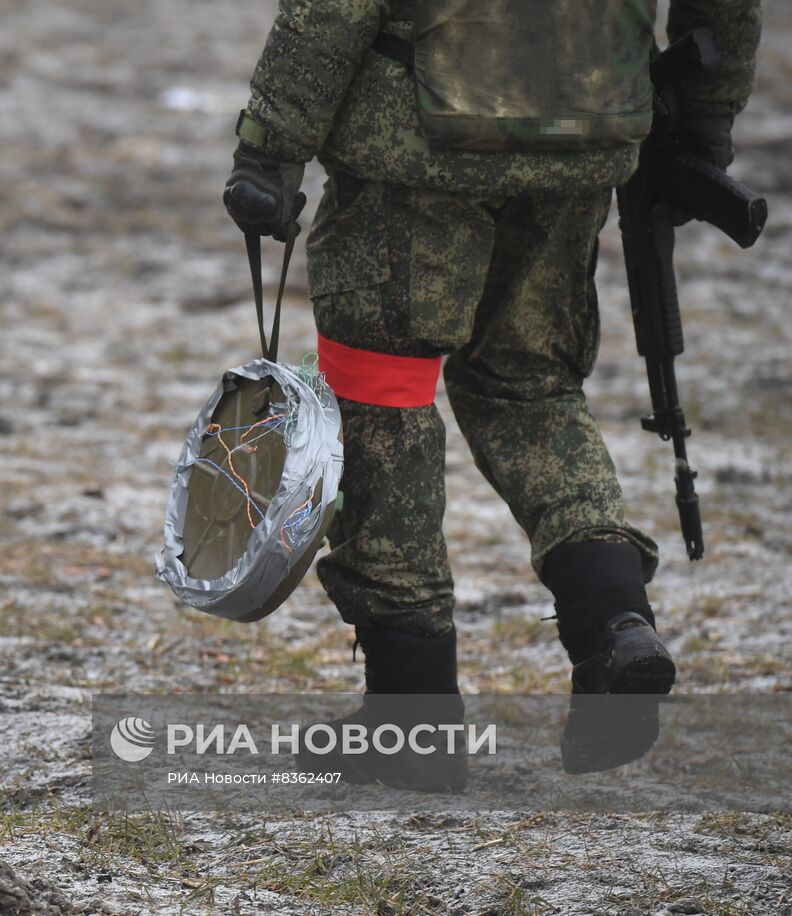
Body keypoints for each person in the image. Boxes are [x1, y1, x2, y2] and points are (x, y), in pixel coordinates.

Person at [223, 0, 761, 780]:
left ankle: (411, 717)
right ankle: (613, 619)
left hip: (418, 143)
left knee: (385, 398)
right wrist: (703, 133)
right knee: (530, 383)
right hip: (589, 125)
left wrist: (271, 147)